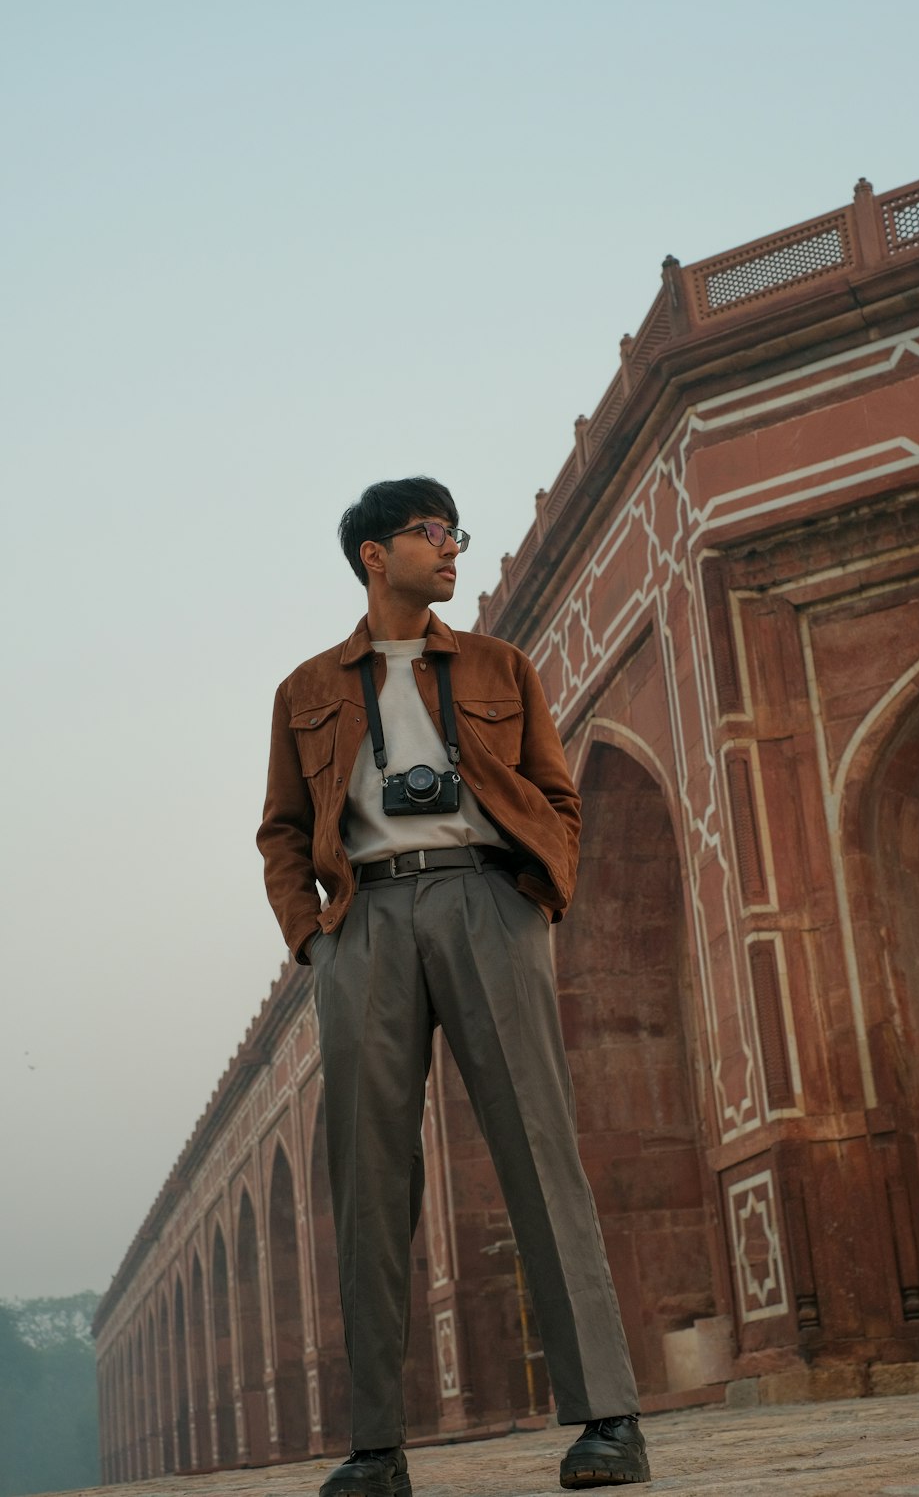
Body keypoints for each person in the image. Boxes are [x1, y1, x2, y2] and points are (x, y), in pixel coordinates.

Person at [257, 476, 649, 1496]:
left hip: (484, 899)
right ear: (373, 555)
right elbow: (282, 832)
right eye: (430, 533)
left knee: (538, 1150)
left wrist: (537, 897)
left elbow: (557, 794)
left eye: (453, 531)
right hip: (364, 923)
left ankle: (608, 1421)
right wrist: (313, 944)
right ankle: (377, 1447)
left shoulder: (495, 665)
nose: (450, 547)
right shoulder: (305, 688)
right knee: (369, 1180)